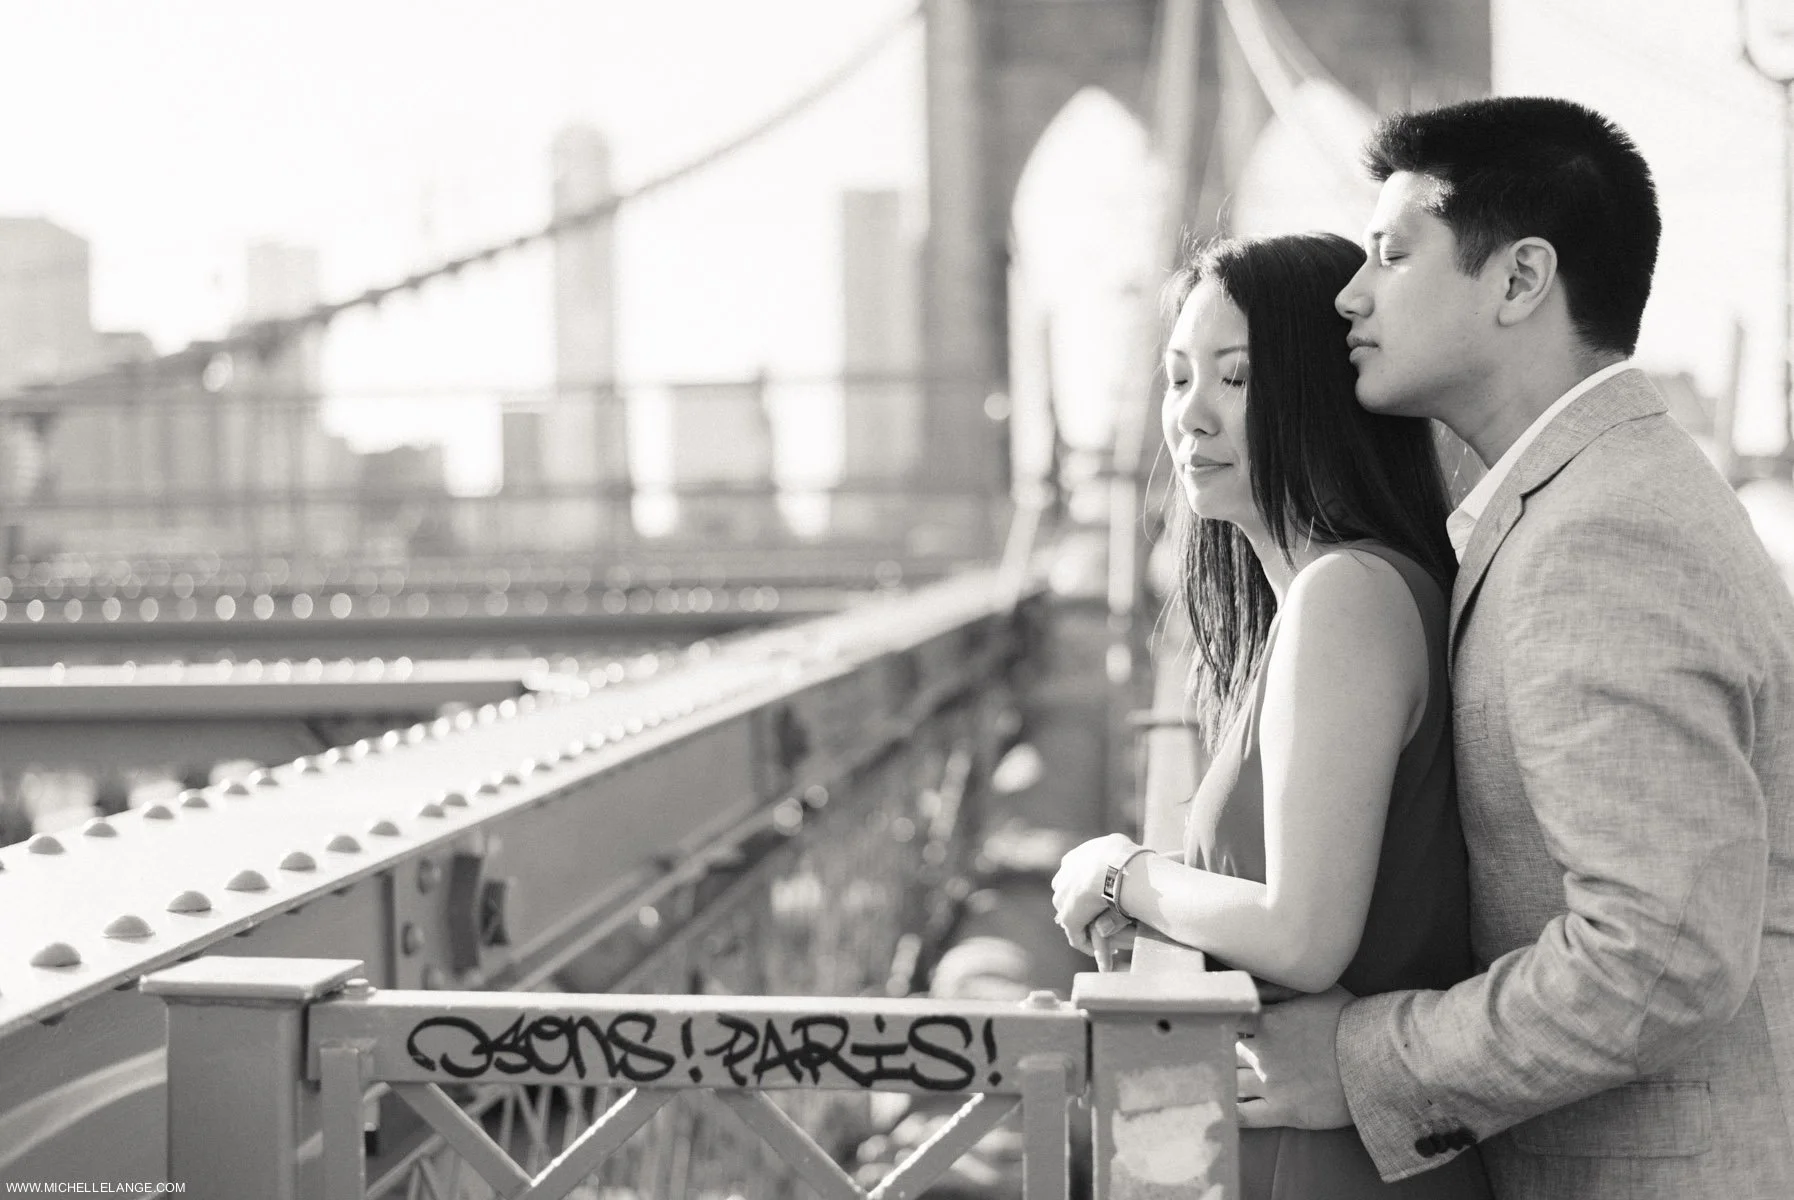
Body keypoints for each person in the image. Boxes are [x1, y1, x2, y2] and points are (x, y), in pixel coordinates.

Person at [1236, 96, 1794, 1199]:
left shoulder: (1606, 533)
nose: (1352, 292)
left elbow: (1660, 960)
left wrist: (1362, 1062)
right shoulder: (1574, 503)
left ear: (1519, 279)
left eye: (1393, 255)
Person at [1051, 231, 1493, 1197]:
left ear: (1319, 396)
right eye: (1176, 380)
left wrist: (1123, 871)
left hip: (1329, 1159)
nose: (1191, 417)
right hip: (1311, 1141)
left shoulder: (1346, 595)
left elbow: (1302, 935)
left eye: (1237, 378)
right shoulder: (1320, 606)